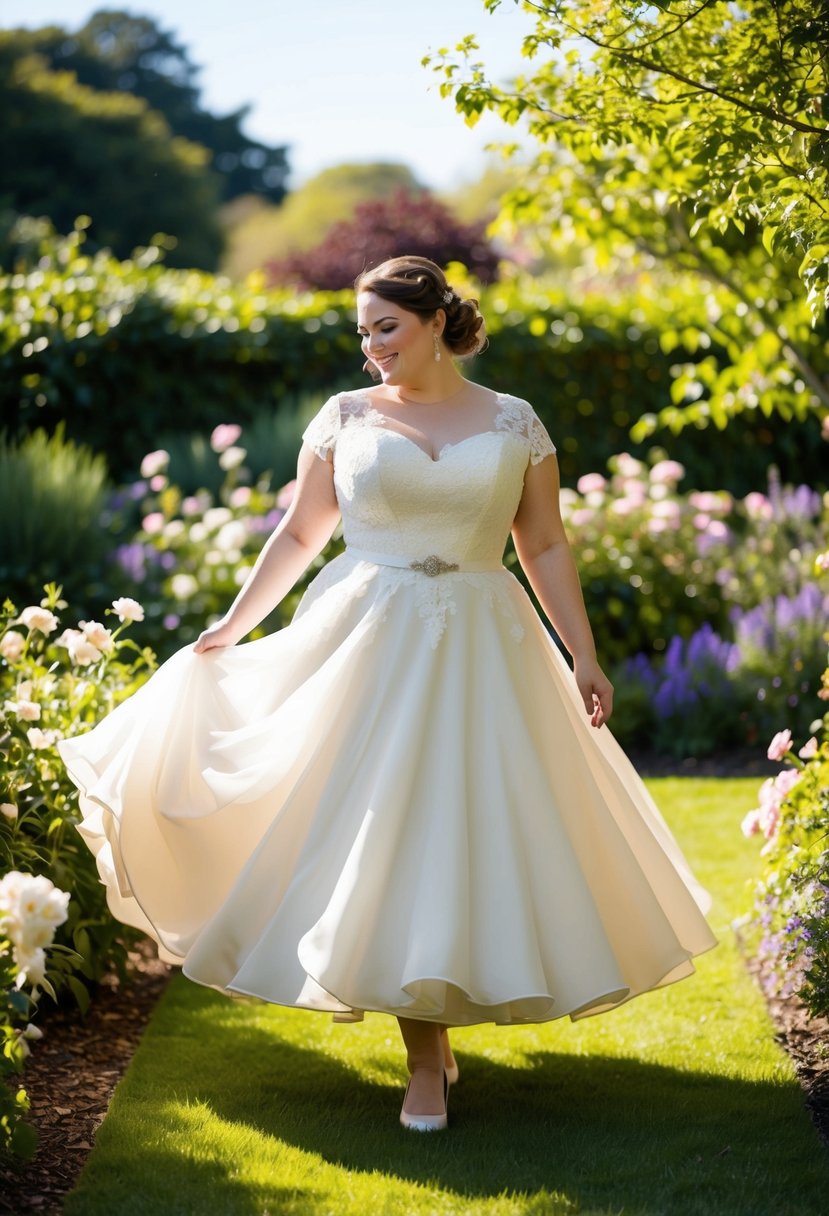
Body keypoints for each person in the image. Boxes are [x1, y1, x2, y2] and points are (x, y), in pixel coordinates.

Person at [59, 255, 717, 1134]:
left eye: (385, 329)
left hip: (487, 642)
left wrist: (583, 655)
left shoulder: (515, 421)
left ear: (436, 321)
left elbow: (546, 547)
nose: (370, 348)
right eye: (362, 333)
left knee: (459, 832)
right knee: (384, 833)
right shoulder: (344, 418)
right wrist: (233, 625)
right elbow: (300, 531)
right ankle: (425, 1062)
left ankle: (431, 1032)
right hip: (365, 639)